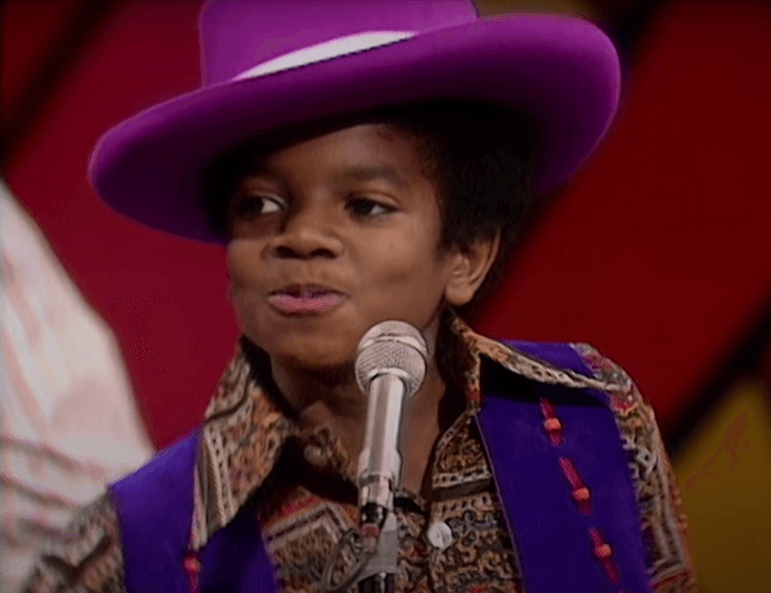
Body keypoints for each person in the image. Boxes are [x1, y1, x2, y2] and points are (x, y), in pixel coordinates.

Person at [21, 1, 696, 592]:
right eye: (259, 205)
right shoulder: (124, 548)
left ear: (467, 253)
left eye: (366, 205)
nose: (302, 238)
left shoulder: (592, 415)